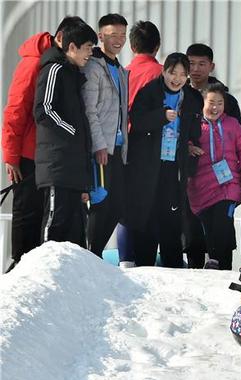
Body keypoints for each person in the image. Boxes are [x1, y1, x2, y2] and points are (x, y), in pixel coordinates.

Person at [1, 16, 85, 272]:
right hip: (28, 154)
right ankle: (20, 268)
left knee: (43, 213)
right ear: (61, 38)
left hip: (48, 153)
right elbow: (16, 109)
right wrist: (11, 155)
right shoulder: (36, 62)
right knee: (28, 213)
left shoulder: (62, 63)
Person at [124, 53, 203, 267]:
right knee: (146, 214)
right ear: (163, 71)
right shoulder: (149, 92)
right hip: (148, 166)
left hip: (174, 166)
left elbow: (195, 130)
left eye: (182, 74)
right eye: (172, 73)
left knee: (172, 217)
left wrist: (190, 145)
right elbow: (136, 122)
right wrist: (161, 116)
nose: (176, 79)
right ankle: (144, 265)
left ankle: (173, 266)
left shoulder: (193, 98)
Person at [34, 22, 98, 246]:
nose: (90, 53)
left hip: (72, 166)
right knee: (55, 224)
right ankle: (46, 273)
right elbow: (44, 109)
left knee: (76, 228)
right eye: (88, 47)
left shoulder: (73, 74)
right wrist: (71, 130)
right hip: (57, 164)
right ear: (72, 46)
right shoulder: (55, 69)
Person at [184, 43, 241, 269]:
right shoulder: (181, 95)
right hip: (192, 174)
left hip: (222, 178)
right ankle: (193, 269)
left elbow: (240, 139)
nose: (196, 69)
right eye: (191, 63)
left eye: (202, 64)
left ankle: (223, 272)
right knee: (192, 229)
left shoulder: (227, 100)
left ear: (212, 66)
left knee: (222, 226)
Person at [117, 20, 163, 268]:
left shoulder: (122, 72)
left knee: (126, 205)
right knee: (152, 204)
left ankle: (125, 259)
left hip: (123, 146)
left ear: (132, 47)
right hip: (152, 148)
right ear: (157, 46)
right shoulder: (162, 74)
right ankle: (146, 262)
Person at [82, 13, 129, 258]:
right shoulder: (93, 66)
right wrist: (98, 145)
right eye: (113, 35)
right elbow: (89, 109)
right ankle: (91, 254)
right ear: (101, 36)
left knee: (118, 203)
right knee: (101, 202)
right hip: (101, 148)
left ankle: (94, 253)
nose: (118, 40)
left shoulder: (120, 69)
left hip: (118, 147)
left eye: (122, 35)